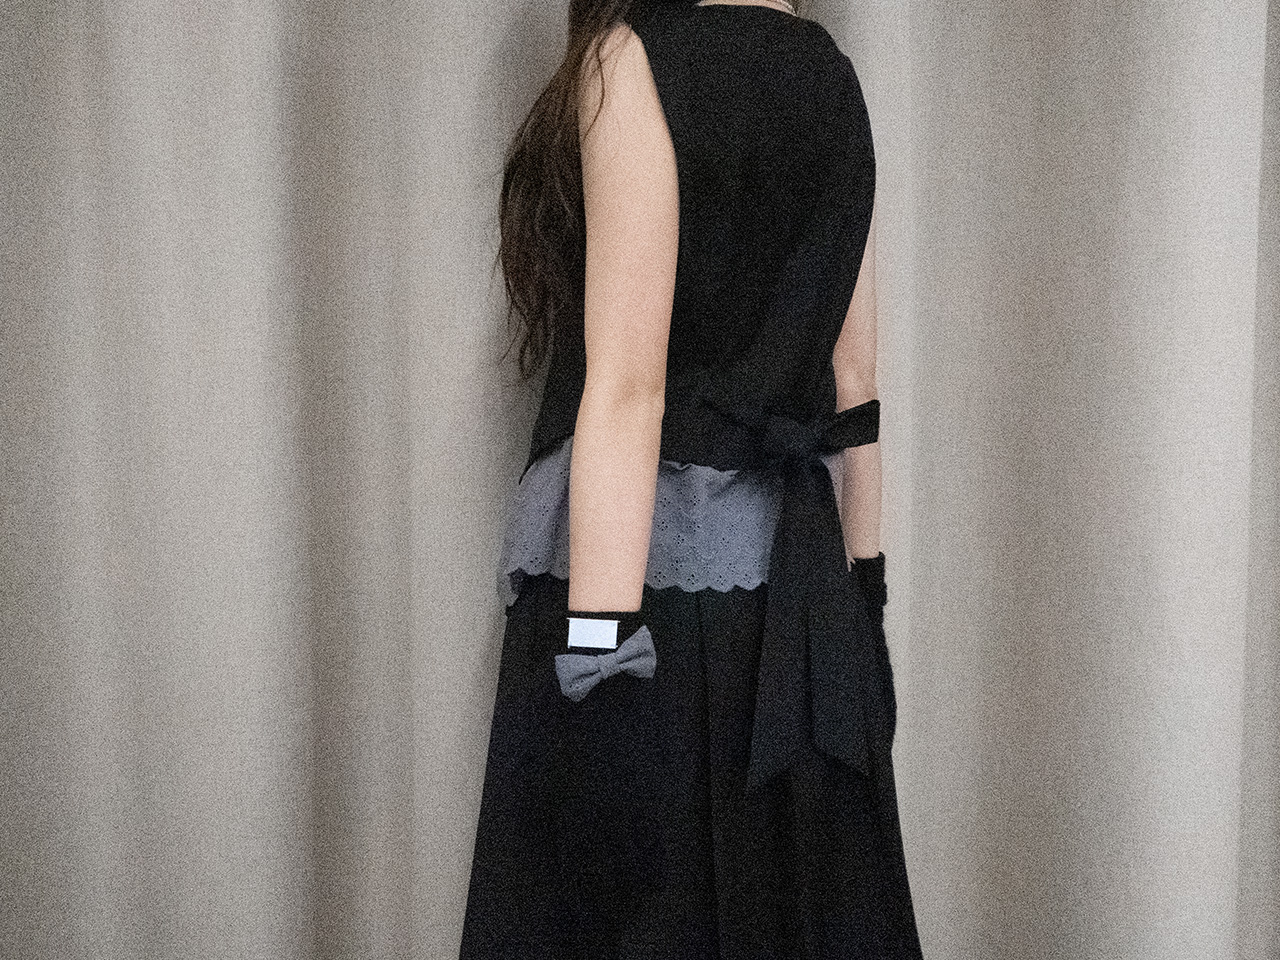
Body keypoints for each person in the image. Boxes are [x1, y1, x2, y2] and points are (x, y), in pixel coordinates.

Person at [460, 0, 924, 955]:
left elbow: (628, 390)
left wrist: (596, 658)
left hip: (642, 612)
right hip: (801, 618)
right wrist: (864, 608)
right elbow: (855, 386)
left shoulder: (630, 61)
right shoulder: (835, 82)